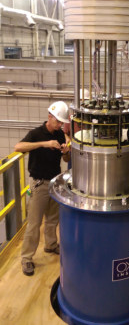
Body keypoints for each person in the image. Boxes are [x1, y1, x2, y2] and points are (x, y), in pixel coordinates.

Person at [14, 101, 71, 276]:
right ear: (49, 117)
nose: (60, 125)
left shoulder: (60, 135)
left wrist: (65, 150)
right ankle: (26, 258)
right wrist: (44, 144)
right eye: (58, 122)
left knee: (53, 219)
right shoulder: (36, 133)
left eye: (62, 123)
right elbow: (18, 147)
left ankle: (51, 245)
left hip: (55, 182)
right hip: (39, 184)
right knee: (34, 223)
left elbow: (67, 160)